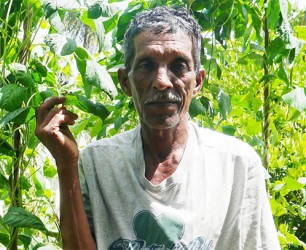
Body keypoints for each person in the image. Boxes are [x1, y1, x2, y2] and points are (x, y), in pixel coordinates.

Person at [35, 6, 280, 250]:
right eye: (146, 66)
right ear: (125, 82)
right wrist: (66, 163)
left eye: (179, 65)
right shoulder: (97, 164)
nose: (162, 81)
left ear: (198, 81)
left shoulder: (236, 165)